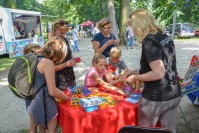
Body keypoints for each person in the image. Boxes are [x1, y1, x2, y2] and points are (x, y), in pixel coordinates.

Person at [126, 9, 181, 133]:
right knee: (169, 130)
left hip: (156, 97)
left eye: (131, 26)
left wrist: (136, 78)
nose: (132, 30)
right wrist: (138, 71)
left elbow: (158, 73)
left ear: (138, 25)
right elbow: (164, 64)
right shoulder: (163, 35)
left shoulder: (149, 42)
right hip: (173, 93)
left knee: (146, 130)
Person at [26, 37, 69, 132]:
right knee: (51, 128)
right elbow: (52, 91)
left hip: (31, 98)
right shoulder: (47, 62)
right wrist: (67, 98)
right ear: (59, 53)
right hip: (44, 100)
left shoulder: (34, 57)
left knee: (39, 124)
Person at [51, 19, 77, 91]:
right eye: (61, 33)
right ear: (54, 30)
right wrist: (65, 64)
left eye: (65, 33)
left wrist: (73, 58)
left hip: (69, 73)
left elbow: (69, 52)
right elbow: (51, 68)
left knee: (72, 95)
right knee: (63, 97)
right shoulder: (51, 45)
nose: (63, 35)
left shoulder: (64, 40)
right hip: (59, 76)